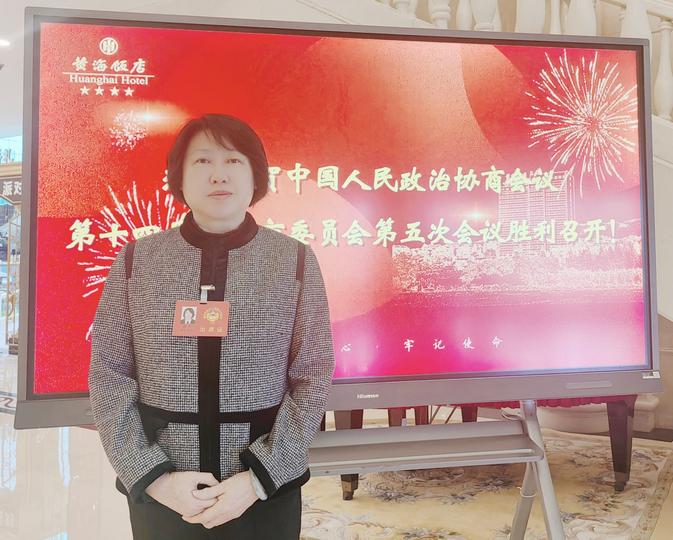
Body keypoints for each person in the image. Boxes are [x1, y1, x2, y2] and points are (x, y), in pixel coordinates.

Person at [88, 114, 335, 539]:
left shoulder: (293, 260)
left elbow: (313, 374)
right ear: (179, 177)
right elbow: (108, 373)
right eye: (202, 161)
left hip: (261, 493)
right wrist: (156, 478)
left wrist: (258, 478)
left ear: (255, 175)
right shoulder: (136, 261)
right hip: (166, 492)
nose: (219, 174)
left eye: (233, 161)